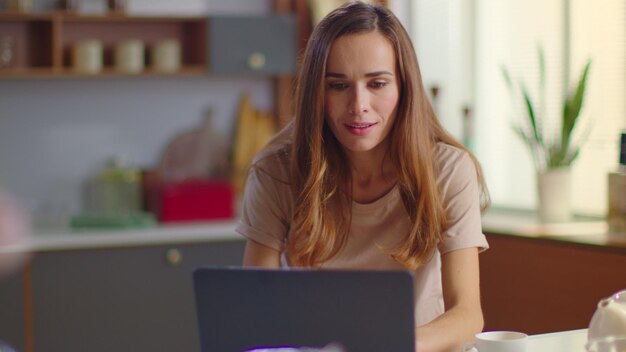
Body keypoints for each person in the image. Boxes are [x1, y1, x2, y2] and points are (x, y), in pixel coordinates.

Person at [236, 2, 490, 351]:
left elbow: (467, 314)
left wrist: (395, 345)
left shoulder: (447, 170)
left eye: (377, 83)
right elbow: (252, 306)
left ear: (404, 87)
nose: (359, 105)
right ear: (316, 93)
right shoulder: (275, 172)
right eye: (338, 86)